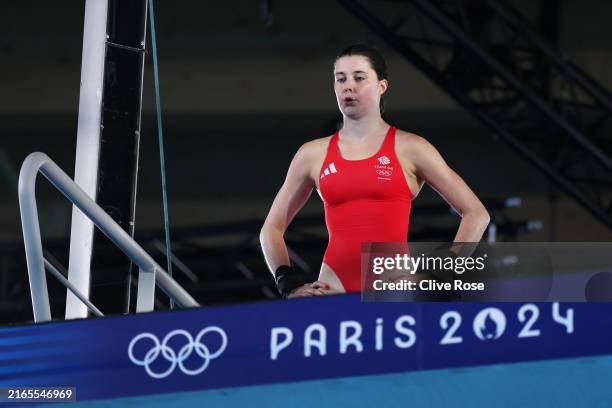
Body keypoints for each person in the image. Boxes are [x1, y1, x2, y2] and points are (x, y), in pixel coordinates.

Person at [260, 44, 490, 299]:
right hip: (332, 288)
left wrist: (439, 274)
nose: (348, 86)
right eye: (341, 79)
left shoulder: (410, 147)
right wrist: (287, 283)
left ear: (382, 86)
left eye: (359, 78)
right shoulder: (312, 154)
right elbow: (271, 229)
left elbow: (476, 214)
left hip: (395, 289)